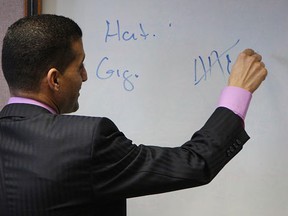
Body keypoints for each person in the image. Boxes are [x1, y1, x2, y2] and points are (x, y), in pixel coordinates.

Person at [0, 14, 267, 216]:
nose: (85, 76)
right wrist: (238, 91)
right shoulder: (85, 141)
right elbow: (195, 163)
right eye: (79, 66)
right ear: (54, 79)